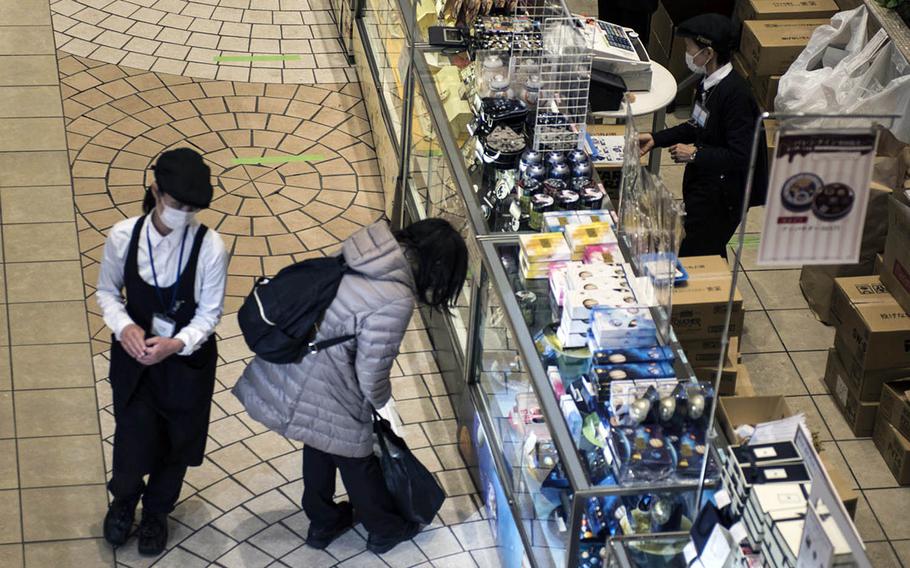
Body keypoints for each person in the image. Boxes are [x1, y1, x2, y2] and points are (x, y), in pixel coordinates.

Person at [233, 219, 468, 554]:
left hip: (302, 361)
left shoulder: (367, 250)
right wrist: (384, 404)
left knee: (319, 440)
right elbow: (371, 371)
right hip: (329, 380)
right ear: (437, 269)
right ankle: (385, 528)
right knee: (356, 457)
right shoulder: (396, 297)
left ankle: (323, 521)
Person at [97, 148, 229, 556]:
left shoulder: (210, 248)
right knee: (132, 440)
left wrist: (177, 343)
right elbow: (106, 292)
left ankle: (157, 511)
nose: (183, 212)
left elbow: (210, 315)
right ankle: (124, 501)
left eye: (191, 207)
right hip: (136, 361)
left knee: (177, 443)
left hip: (185, 366)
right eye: (176, 203)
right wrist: (125, 327)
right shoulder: (123, 237)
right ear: (155, 191)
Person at [638, 13, 769, 258]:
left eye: (690, 48)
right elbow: (696, 125)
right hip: (705, 186)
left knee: (693, 251)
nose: (687, 53)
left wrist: (696, 153)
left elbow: (741, 155)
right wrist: (656, 138)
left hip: (723, 198)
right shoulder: (708, 84)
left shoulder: (735, 96)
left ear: (708, 53)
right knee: (705, 247)